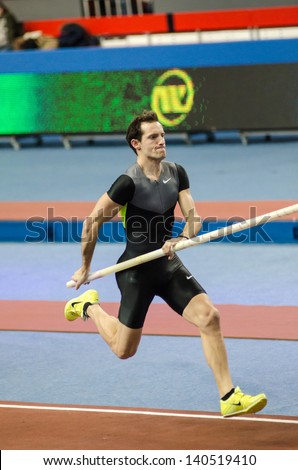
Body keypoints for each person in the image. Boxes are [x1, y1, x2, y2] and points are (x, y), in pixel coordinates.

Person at [64, 110, 267, 418]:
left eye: (162, 135)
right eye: (153, 137)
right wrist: (84, 266)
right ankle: (88, 306)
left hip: (167, 262)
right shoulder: (126, 183)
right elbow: (92, 223)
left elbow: (194, 218)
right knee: (124, 350)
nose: (161, 141)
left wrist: (181, 238)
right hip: (135, 270)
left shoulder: (176, 172)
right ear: (136, 144)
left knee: (209, 317)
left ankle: (229, 397)